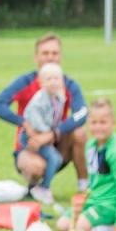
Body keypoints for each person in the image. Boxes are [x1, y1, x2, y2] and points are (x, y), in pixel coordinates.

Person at [0, 34, 88, 196]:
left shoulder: (68, 84)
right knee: (35, 168)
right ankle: (35, 187)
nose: (50, 57)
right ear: (36, 58)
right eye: (45, 53)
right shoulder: (25, 82)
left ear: (60, 57)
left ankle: (84, 187)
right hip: (31, 145)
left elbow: (82, 113)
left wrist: (55, 133)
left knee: (79, 133)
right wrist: (24, 123)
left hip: (58, 145)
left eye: (54, 53)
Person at [58, 100, 116, 231]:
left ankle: (115, 227)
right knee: (62, 225)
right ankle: (97, 225)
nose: (98, 127)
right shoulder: (91, 145)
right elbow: (95, 179)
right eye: (94, 123)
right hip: (94, 201)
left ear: (113, 123)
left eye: (103, 122)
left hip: (110, 204)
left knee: (78, 229)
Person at [19, 63, 72, 204]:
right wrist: (49, 134)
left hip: (45, 135)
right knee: (54, 158)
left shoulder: (59, 97)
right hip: (33, 136)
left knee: (57, 159)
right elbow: (37, 123)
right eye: (49, 79)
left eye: (56, 78)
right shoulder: (38, 101)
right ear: (41, 82)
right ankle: (43, 188)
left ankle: (41, 186)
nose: (53, 82)